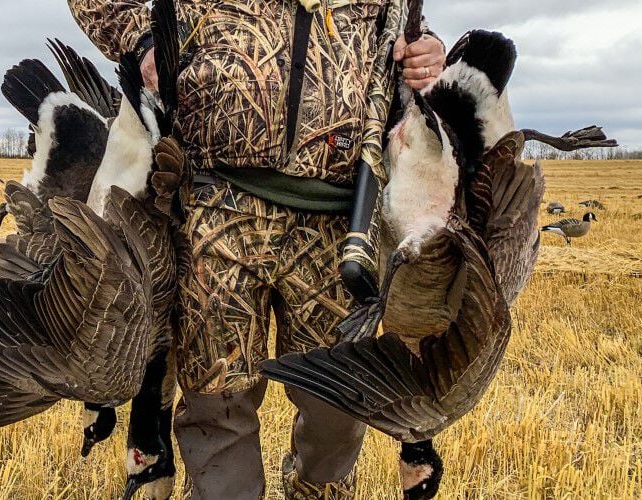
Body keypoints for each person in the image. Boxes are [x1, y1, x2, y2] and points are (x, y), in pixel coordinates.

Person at [69, 1, 445, 498]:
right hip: (217, 204)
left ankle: (317, 486)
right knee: (217, 400)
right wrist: (145, 39)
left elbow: (399, 35)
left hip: (339, 223)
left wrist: (428, 53)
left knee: (337, 402)